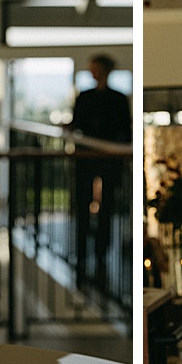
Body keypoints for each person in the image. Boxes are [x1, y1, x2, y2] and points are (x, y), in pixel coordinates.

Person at [67, 54, 131, 288]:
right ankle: (82, 254)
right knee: (83, 205)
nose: (93, 72)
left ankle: (101, 253)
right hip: (87, 158)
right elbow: (77, 123)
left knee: (107, 208)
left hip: (109, 159)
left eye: (96, 68)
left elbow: (124, 128)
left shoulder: (118, 98)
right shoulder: (85, 97)